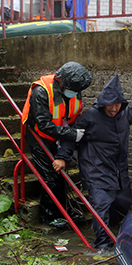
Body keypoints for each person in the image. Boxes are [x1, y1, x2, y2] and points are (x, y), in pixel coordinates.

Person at [59, 75, 132, 253]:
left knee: (123, 201)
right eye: (110, 105)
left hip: (117, 168)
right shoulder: (89, 117)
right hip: (96, 168)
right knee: (101, 204)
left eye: (117, 104)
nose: (114, 108)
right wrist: (62, 157)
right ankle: (102, 245)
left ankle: (110, 229)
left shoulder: (124, 113)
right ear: (103, 103)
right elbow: (71, 137)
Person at [21, 62, 93, 227]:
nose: (75, 93)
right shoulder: (41, 92)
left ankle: (64, 211)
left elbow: (73, 113)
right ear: (62, 82)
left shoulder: (74, 91)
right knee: (50, 175)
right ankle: (49, 215)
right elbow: (44, 124)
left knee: (61, 174)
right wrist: (72, 135)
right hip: (39, 135)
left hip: (61, 134)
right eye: (73, 90)